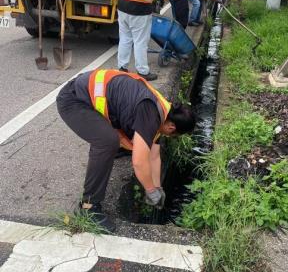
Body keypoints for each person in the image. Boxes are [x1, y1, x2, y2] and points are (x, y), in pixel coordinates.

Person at [56, 69, 196, 232]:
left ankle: (114, 151)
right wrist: (150, 191)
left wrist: (158, 188)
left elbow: (154, 155)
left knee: (131, 143)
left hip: (89, 95)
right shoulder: (150, 114)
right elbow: (139, 161)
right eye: (174, 135)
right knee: (107, 141)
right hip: (74, 100)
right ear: (171, 127)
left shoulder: (162, 110)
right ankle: (88, 207)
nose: (170, 136)